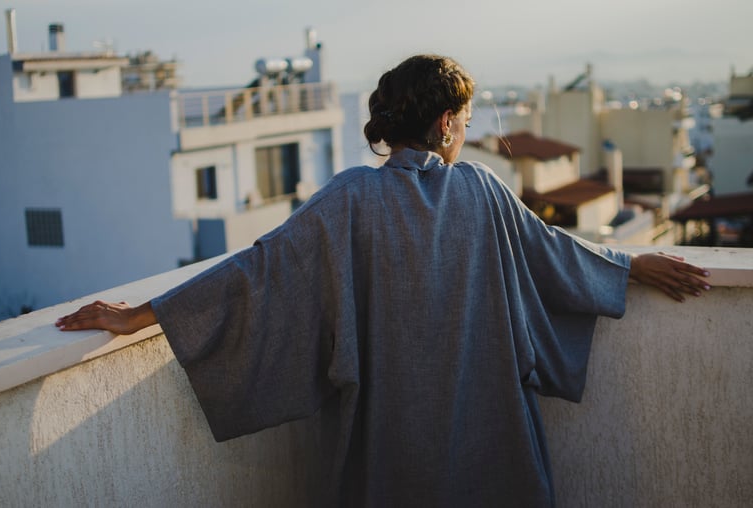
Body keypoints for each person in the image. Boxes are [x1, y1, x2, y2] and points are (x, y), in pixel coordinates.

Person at [56, 55, 710, 507]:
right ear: (445, 123)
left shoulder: (349, 200)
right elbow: (557, 255)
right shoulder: (481, 190)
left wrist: (138, 315)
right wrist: (633, 264)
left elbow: (256, 270)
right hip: (492, 430)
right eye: (466, 117)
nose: (468, 130)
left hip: (388, 438)